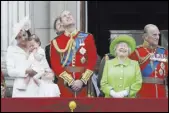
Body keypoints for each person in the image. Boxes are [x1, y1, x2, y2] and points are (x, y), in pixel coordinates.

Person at [50, 10, 97, 97]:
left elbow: (92, 60)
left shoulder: (88, 37)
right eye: (64, 16)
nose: (68, 16)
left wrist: (82, 81)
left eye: (69, 14)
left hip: (84, 85)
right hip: (65, 85)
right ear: (61, 24)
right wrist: (70, 81)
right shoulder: (56, 42)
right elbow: (55, 65)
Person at [129, 24, 168, 98]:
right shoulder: (136, 52)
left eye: (158, 35)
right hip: (143, 94)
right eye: (154, 35)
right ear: (145, 37)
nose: (157, 37)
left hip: (162, 94)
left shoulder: (164, 52)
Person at [6, 16, 38, 97]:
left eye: (24, 35)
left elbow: (42, 65)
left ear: (28, 33)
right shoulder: (12, 50)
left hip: (36, 86)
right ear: (16, 39)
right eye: (19, 37)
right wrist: (25, 71)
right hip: (20, 89)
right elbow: (10, 71)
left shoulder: (36, 47)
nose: (23, 38)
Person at [45, 16, 65, 84]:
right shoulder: (49, 47)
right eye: (58, 24)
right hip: (57, 82)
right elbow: (49, 67)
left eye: (63, 23)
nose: (61, 24)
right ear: (55, 30)